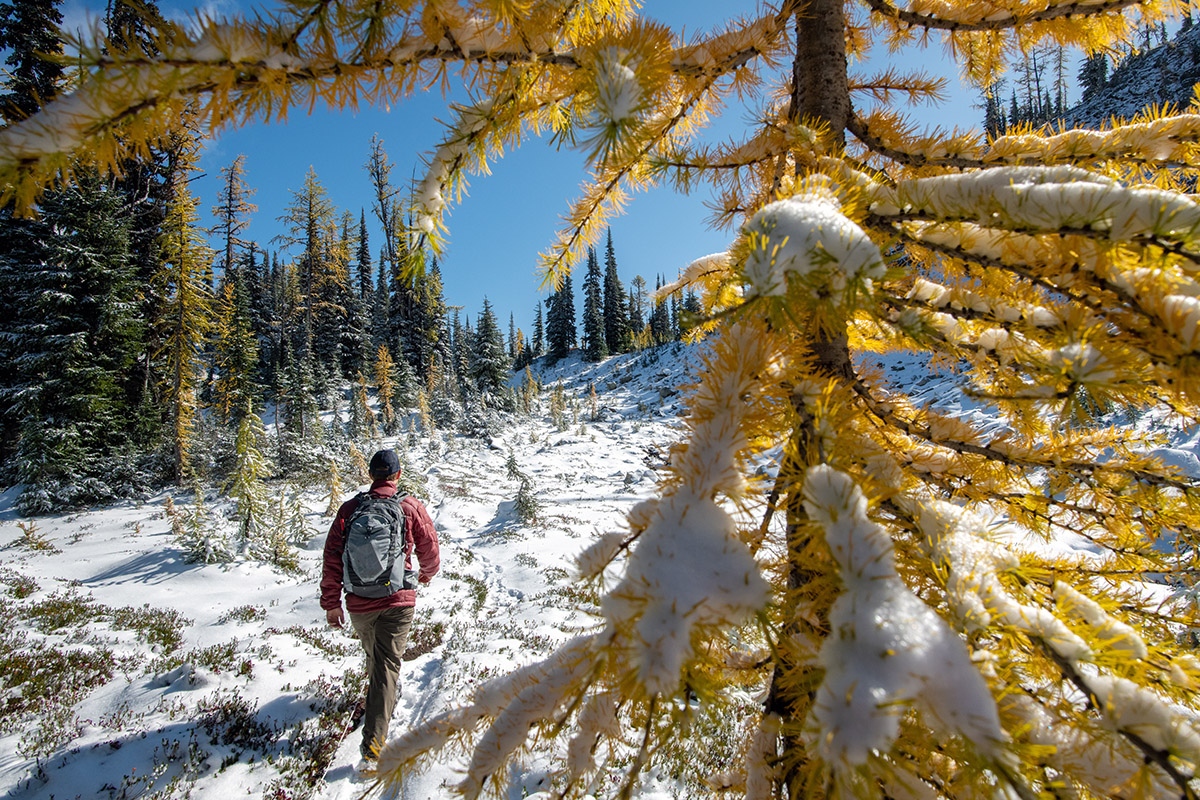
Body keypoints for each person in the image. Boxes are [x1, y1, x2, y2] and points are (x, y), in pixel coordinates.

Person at [320, 448, 440, 763]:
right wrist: (427, 573)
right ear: (397, 475)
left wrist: (332, 603)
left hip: (360, 603)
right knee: (385, 666)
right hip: (398, 601)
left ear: (371, 475)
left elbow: (332, 557)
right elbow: (429, 546)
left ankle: (379, 701)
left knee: (379, 661)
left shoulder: (349, 509)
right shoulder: (409, 506)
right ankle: (373, 745)